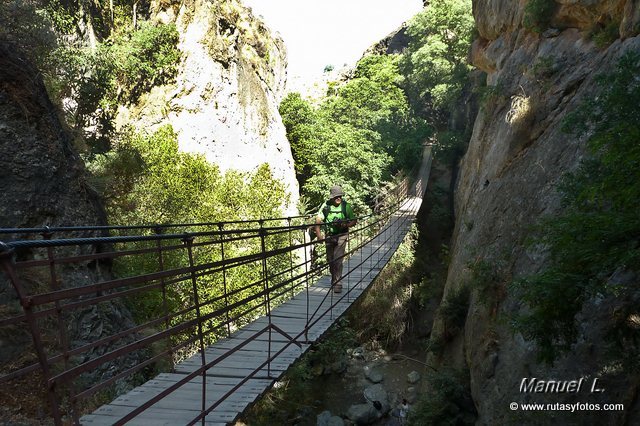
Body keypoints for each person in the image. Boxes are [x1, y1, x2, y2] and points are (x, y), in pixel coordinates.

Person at [314, 185, 357, 293]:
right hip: (329, 235)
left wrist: (344, 225)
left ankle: (338, 282)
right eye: (336, 196)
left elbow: (354, 220)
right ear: (331, 197)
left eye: (340, 196)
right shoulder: (326, 206)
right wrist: (319, 235)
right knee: (330, 259)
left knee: (338, 259)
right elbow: (318, 219)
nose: (339, 198)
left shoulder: (345, 206)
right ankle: (334, 278)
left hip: (342, 235)